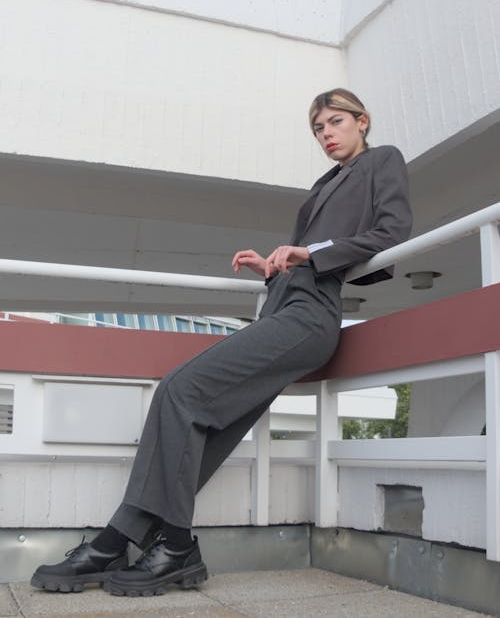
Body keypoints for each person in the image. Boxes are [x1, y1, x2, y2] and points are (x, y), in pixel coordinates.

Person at [31, 88, 412, 596]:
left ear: (362, 121)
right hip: (284, 303)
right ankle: (119, 540)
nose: (326, 134)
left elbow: (392, 234)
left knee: (178, 391)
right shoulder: (325, 183)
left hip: (311, 315)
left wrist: (309, 254)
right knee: (205, 426)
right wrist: (273, 266)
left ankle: (173, 546)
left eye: (335, 122)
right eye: (318, 128)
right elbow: (310, 252)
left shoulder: (382, 161)